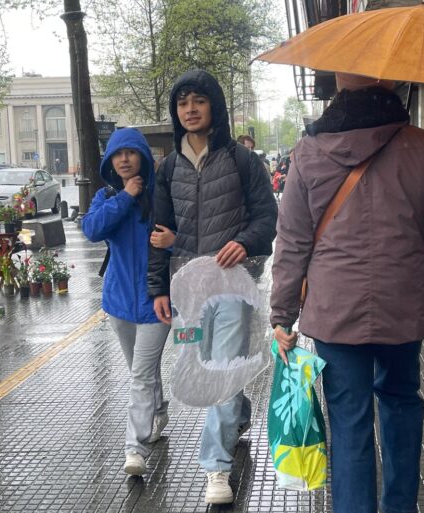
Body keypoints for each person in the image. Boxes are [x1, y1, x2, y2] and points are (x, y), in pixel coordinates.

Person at [270, 72, 424, 513]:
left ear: (340, 85)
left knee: (349, 419)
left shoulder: (308, 151)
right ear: (388, 81)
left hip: (334, 311)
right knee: (400, 401)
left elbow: (293, 241)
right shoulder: (423, 145)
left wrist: (282, 315)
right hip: (402, 303)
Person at [148, 69, 277, 505]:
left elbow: (267, 218)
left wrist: (244, 241)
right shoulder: (167, 168)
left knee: (222, 367)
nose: (190, 109)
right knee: (205, 363)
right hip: (187, 289)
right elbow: (158, 233)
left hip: (232, 288)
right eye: (182, 102)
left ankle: (215, 468)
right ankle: (238, 412)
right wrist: (157, 289)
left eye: (198, 101)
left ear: (214, 106)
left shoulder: (241, 160)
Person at [81, 128, 172, 476]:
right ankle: (159, 411)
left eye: (131, 154)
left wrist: (173, 239)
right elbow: (92, 231)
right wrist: (126, 197)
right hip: (119, 301)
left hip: (157, 300)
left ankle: (135, 449)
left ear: (143, 158)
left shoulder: (161, 194)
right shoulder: (106, 196)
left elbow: (180, 239)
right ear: (109, 161)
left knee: (140, 375)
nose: (124, 160)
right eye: (117, 155)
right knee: (141, 370)